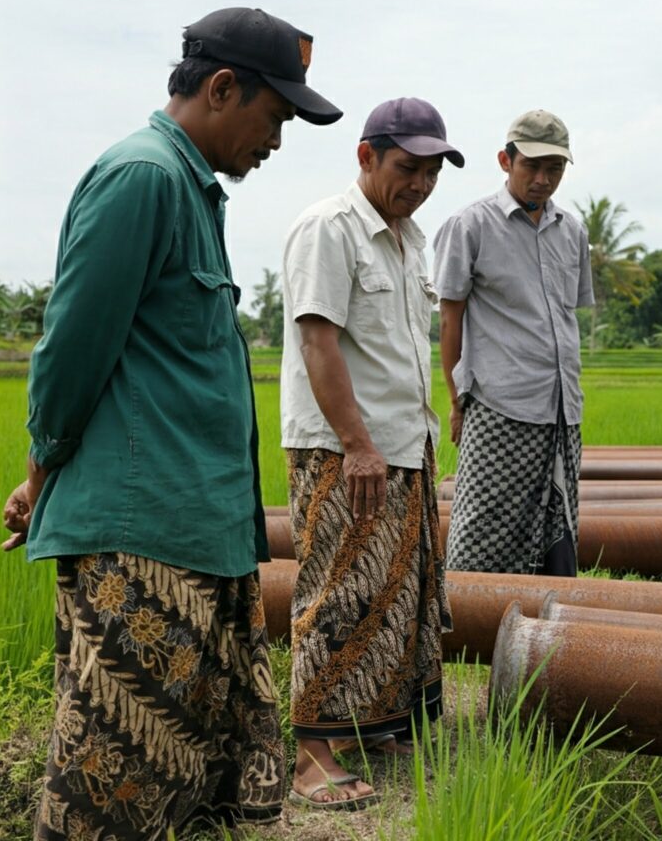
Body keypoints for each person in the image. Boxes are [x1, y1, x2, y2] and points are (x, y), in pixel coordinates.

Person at [1, 7, 342, 839]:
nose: (277, 140)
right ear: (223, 88)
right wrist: (43, 471)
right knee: (115, 789)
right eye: (276, 117)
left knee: (185, 784)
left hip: (195, 538)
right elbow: (72, 351)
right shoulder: (142, 177)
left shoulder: (191, 191)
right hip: (140, 544)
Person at [279, 97, 461, 809]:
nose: (419, 183)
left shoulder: (412, 238)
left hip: (404, 446)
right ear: (366, 156)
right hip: (344, 450)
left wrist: (408, 441)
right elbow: (318, 341)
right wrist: (356, 444)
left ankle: (376, 725)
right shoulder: (330, 229)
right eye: (407, 168)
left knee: (401, 596)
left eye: (431, 172)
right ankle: (312, 757)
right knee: (338, 589)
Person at [433, 109, 594, 577]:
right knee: (484, 527)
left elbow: (567, 318)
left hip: (563, 408)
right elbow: (450, 320)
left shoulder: (573, 231)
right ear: (506, 161)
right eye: (532, 166)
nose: (543, 180)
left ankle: (547, 635)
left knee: (556, 523)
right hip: (500, 404)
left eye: (555, 169)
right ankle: (469, 626)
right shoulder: (471, 225)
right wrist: (457, 399)